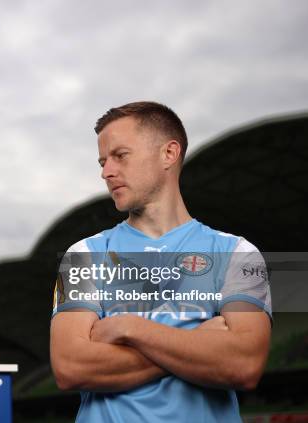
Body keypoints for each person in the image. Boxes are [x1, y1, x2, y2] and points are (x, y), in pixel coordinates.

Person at [50, 101, 272, 422]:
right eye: (102, 161)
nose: (106, 171)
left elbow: (243, 366)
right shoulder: (83, 254)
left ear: (169, 153)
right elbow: (71, 367)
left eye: (120, 155)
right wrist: (200, 347)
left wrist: (129, 327)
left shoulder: (238, 252)